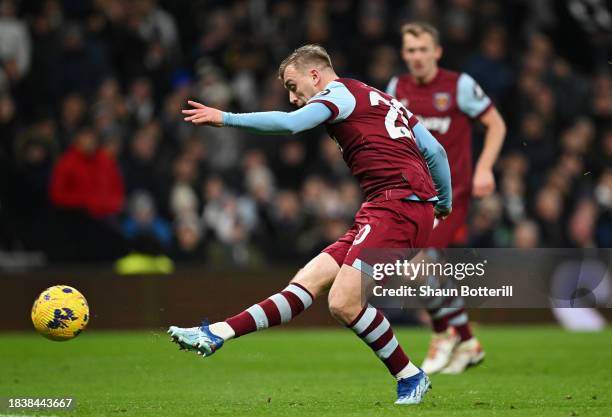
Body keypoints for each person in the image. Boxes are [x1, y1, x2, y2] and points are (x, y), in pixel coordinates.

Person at [169, 44, 452, 405]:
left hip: (398, 204)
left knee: (344, 303)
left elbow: (290, 125)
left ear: (315, 75)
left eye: (292, 85)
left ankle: (410, 376)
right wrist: (443, 202)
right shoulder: (379, 97)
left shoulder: (338, 95)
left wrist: (226, 117)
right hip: (388, 206)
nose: (292, 97)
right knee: (306, 282)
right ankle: (216, 333)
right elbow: (436, 152)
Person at [386, 22, 506, 374]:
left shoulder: (460, 85)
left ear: (437, 52)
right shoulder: (397, 87)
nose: (417, 57)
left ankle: (443, 333)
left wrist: (485, 168)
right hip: (413, 193)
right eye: (410, 50)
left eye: (423, 49)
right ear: (404, 54)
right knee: (421, 268)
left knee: (416, 263)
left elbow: (497, 124)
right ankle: (467, 340)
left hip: (450, 194)